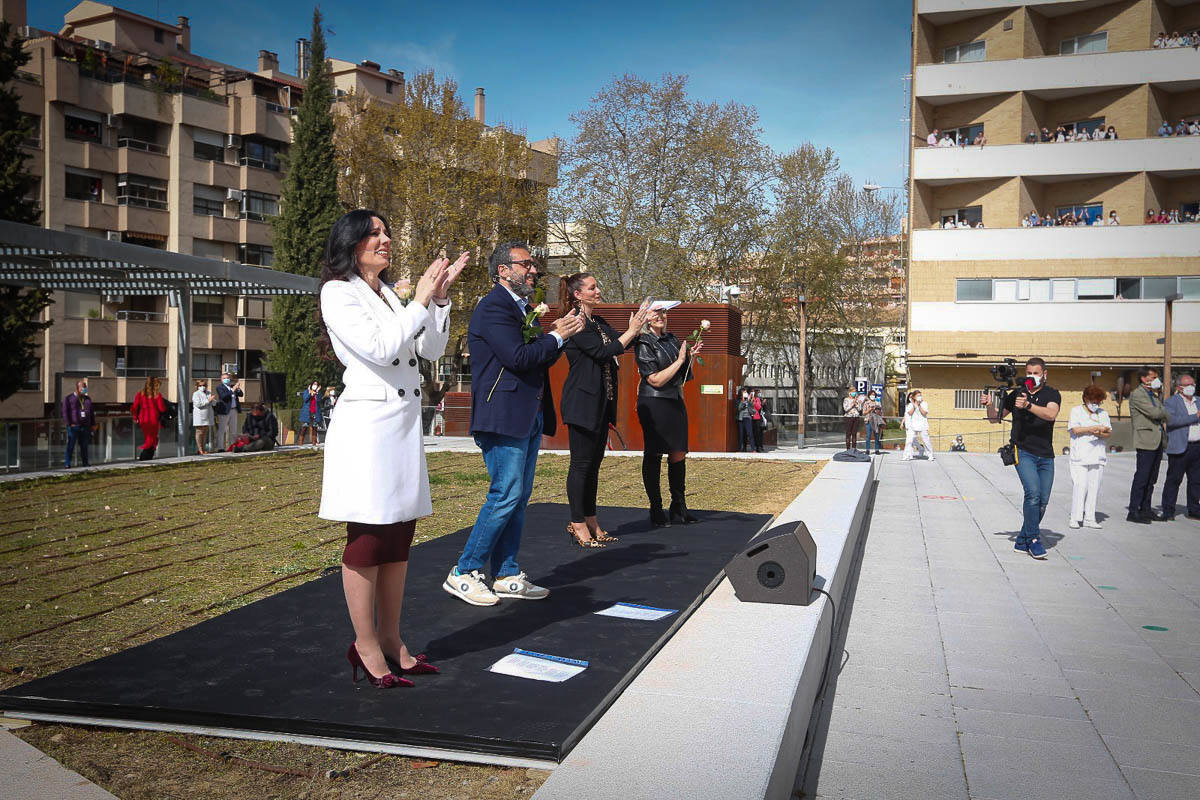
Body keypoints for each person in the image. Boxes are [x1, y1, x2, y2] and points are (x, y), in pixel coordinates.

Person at [317, 208, 468, 688]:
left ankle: (391, 638)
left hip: (401, 426)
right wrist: (419, 298)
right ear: (351, 243)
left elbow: (430, 350)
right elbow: (382, 348)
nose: (385, 239)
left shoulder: (386, 293)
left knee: (400, 534)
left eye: (386, 232)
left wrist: (438, 301)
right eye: (374, 233)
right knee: (368, 536)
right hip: (368, 428)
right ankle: (364, 644)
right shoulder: (338, 293)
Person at [443, 241, 585, 607]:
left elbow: (536, 359)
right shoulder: (493, 307)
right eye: (526, 265)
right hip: (502, 415)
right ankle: (465, 570)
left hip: (527, 412)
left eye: (533, 265)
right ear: (503, 270)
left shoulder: (523, 309)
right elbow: (518, 357)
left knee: (518, 498)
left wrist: (557, 338)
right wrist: (556, 336)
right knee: (505, 493)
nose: (533, 270)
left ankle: (505, 573)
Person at [559, 273, 650, 547]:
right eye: (592, 287)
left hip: (601, 403)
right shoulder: (575, 322)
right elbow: (602, 352)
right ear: (577, 294)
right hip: (582, 402)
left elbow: (621, 343)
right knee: (581, 465)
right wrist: (630, 332)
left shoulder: (597, 322)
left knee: (594, 466)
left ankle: (591, 519)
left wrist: (639, 325)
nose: (598, 291)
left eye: (597, 286)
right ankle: (577, 523)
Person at [983, 358, 1061, 558]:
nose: (1032, 376)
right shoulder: (1017, 393)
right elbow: (994, 419)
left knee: (1043, 501)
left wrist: (1028, 406)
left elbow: (1051, 414)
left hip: (1046, 454)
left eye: (1036, 373)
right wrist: (990, 405)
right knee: (1033, 494)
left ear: (1045, 374)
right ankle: (1034, 540)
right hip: (1022, 450)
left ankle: (1022, 540)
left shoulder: (1051, 393)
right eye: (1029, 372)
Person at [636, 303, 701, 526]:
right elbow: (654, 379)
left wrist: (689, 358)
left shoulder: (673, 339)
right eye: (656, 312)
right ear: (645, 317)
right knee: (654, 453)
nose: (661, 316)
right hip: (654, 401)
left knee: (679, 451)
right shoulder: (644, 342)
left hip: (674, 399)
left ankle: (678, 506)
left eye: (664, 312)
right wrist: (681, 360)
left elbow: (682, 377)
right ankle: (656, 508)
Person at [1128, 366, 1170, 523]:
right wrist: (1164, 412)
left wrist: (1162, 408)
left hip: (1157, 440)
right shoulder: (1138, 394)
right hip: (1145, 440)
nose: (1155, 380)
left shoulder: (1152, 394)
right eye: (1152, 377)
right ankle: (1133, 510)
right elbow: (1156, 413)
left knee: (1152, 478)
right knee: (1142, 477)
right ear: (1143, 379)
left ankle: (1146, 509)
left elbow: (1161, 411)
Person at [1067, 385, 1112, 529]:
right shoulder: (1076, 411)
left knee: (1094, 487)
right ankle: (1075, 517)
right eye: (1094, 401)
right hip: (1080, 455)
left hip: (1097, 455)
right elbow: (1075, 429)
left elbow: (1108, 432)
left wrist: (1099, 432)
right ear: (1086, 399)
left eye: (1099, 402)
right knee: (1080, 486)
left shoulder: (1103, 413)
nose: (1096, 405)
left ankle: (1090, 518)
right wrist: (1092, 429)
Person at [1161, 373, 1200, 521]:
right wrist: (1195, 416)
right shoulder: (1171, 402)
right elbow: (1171, 422)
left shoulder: (1198, 401)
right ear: (1179, 387)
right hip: (1180, 447)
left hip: (1197, 446)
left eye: (1193, 384)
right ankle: (1168, 510)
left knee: (1196, 481)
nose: (1191, 387)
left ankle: (1194, 509)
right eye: (1188, 385)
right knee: (1174, 480)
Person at [131, 376, 166, 460]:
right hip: (153, 419)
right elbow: (162, 408)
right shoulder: (157, 395)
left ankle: (146, 457)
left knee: (148, 438)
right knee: (152, 440)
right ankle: (145, 457)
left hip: (143, 419)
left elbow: (134, 407)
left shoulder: (140, 394)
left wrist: (135, 417)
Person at [62, 379, 95, 468]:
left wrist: (93, 424)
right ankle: (67, 463)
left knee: (84, 446)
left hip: (85, 426)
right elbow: (65, 413)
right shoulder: (69, 398)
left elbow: (91, 412)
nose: (85, 388)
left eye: (85, 387)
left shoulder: (87, 399)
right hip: (74, 426)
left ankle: (85, 462)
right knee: (71, 445)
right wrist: (69, 424)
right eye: (83, 387)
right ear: (77, 388)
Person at [214, 373, 243, 451]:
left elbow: (241, 394)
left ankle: (232, 446)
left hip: (234, 410)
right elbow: (224, 397)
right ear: (221, 380)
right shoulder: (220, 387)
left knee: (233, 430)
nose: (226, 379)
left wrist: (238, 388)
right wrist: (233, 390)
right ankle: (220, 447)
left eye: (227, 378)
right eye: (224, 378)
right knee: (222, 430)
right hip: (224, 411)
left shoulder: (232, 386)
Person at [902, 390, 933, 461]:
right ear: (914, 397)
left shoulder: (924, 403)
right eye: (918, 395)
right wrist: (914, 405)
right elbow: (909, 413)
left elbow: (924, 413)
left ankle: (930, 454)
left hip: (923, 424)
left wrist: (919, 405)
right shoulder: (910, 405)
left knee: (926, 440)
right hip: (913, 425)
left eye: (920, 395)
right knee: (909, 440)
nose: (920, 397)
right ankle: (906, 455)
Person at [191, 379, 213, 455]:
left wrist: (212, 400)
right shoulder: (196, 394)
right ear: (197, 386)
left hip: (207, 415)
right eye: (200, 385)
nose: (202, 387)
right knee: (199, 432)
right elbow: (198, 404)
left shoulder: (208, 393)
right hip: (199, 415)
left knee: (205, 432)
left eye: (204, 385)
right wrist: (208, 401)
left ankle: (203, 449)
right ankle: (200, 449)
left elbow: (213, 403)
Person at [299, 379, 324, 447]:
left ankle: (314, 443)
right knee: (304, 427)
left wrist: (317, 392)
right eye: (314, 384)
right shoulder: (306, 391)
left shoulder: (318, 393)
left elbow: (319, 400)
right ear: (311, 385)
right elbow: (305, 399)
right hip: (307, 412)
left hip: (315, 412)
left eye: (316, 384)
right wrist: (311, 394)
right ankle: (301, 442)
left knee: (314, 427)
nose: (315, 386)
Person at [864, 390, 884, 454]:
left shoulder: (878, 402)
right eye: (871, 394)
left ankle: (877, 450)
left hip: (876, 421)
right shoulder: (866, 403)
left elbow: (881, 413)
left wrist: (877, 410)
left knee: (877, 435)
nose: (872, 396)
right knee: (868, 436)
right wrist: (870, 409)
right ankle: (867, 450)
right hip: (868, 420)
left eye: (873, 394)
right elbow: (864, 413)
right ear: (869, 395)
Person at [737, 388, 754, 453]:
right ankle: (740, 449)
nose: (745, 393)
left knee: (750, 434)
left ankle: (753, 449)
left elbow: (753, 409)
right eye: (744, 392)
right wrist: (743, 401)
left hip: (748, 418)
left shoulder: (749, 401)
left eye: (746, 392)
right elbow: (739, 408)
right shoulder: (739, 401)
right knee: (741, 435)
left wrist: (750, 401)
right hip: (741, 419)